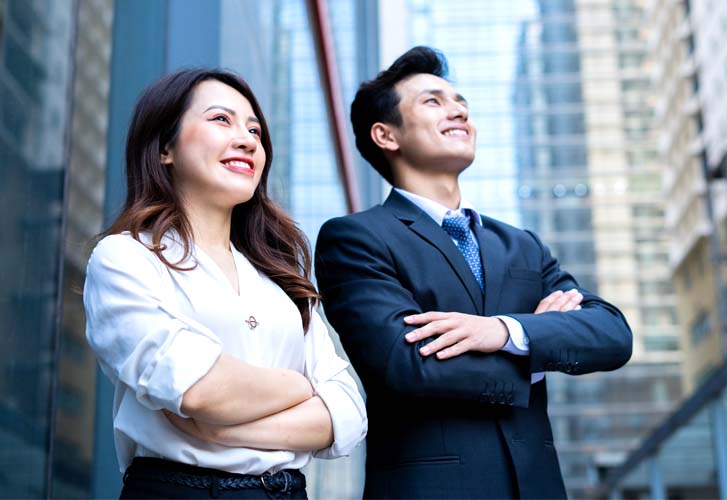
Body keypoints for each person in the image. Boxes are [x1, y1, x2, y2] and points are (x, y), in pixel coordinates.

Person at [314, 46, 632, 499]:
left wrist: (503, 332)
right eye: (433, 101)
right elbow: (406, 364)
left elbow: (611, 335)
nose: (458, 110)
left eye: (461, 101)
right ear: (386, 135)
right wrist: (539, 341)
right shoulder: (355, 238)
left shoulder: (521, 243)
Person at [84, 68, 367, 499]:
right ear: (165, 148)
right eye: (221, 120)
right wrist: (300, 386)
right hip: (181, 490)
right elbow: (199, 390)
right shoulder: (126, 257)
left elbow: (347, 413)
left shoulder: (278, 276)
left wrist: (219, 432)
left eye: (254, 129)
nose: (248, 139)